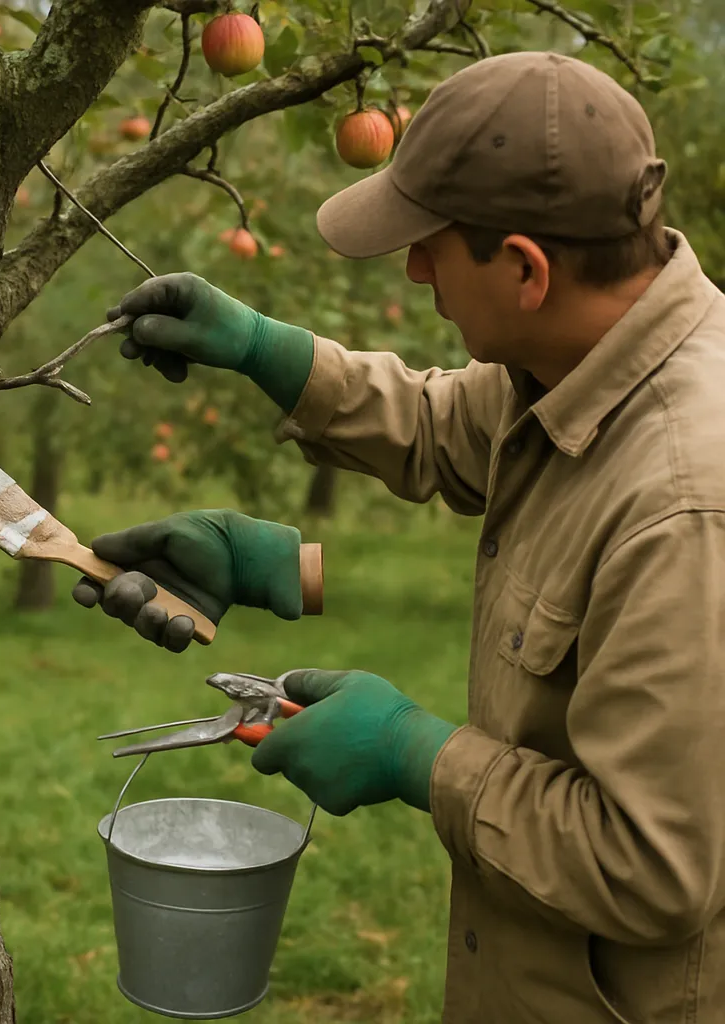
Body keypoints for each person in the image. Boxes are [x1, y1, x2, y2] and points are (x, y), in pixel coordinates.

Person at [72, 50, 725, 1022]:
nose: (414, 269)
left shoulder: (684, 502)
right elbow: (444, 425)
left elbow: (652, 867)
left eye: (433, 246)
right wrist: (261, 350)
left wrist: (418, 756)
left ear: (526, 269)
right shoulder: (577, 364)